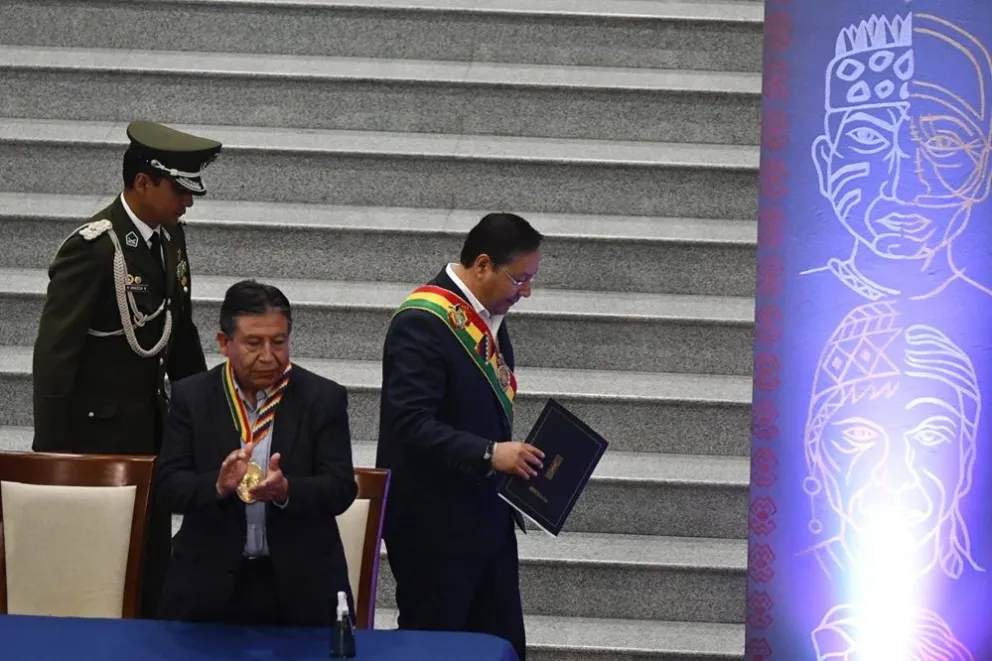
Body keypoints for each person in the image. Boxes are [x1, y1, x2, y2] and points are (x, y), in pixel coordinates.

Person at [30, 120, 222, 617]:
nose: (188, 201)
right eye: (179, 190)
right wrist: (52, 456)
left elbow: (179, 333)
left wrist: (206, 414)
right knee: (99, 567)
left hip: (150, 431)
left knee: (150, 562)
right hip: (95, 437)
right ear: (142, 182)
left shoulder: (170, 237)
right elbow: (54, 358)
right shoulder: (94, 248)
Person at [375, 212, 547, 660]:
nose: (525, 292)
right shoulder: (422, 321)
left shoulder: (486, 313)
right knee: (437, 647)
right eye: (520, 279)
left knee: (500, 645)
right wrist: (490, 453)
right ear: (483, 265)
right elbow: (410, 423)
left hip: (486, 515)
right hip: (434, 526)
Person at [154, 280, 358, 627]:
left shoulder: (323, 399)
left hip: (302, 587)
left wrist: (287, 491)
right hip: (207, 586)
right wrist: (217, 486)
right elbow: (167, 487)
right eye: (254, 343)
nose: (268, 356)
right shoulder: (192, 397)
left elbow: (341, 487)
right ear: (224, 343)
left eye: (278, 342)